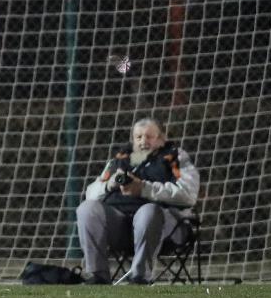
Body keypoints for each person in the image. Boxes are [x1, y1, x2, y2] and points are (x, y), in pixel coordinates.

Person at [77, 117, 200, 284]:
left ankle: (140, 277)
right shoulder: (120, 159)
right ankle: (97, 276)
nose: (143, 141)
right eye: (139, 137)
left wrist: (143, 188)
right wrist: (109, 184)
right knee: (87, 209)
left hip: (167, 228)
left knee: (148, 211)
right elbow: (90, 193)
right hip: (124, 227)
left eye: (149, 136)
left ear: (162, 138)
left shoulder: (175, 156)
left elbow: (189, 195)